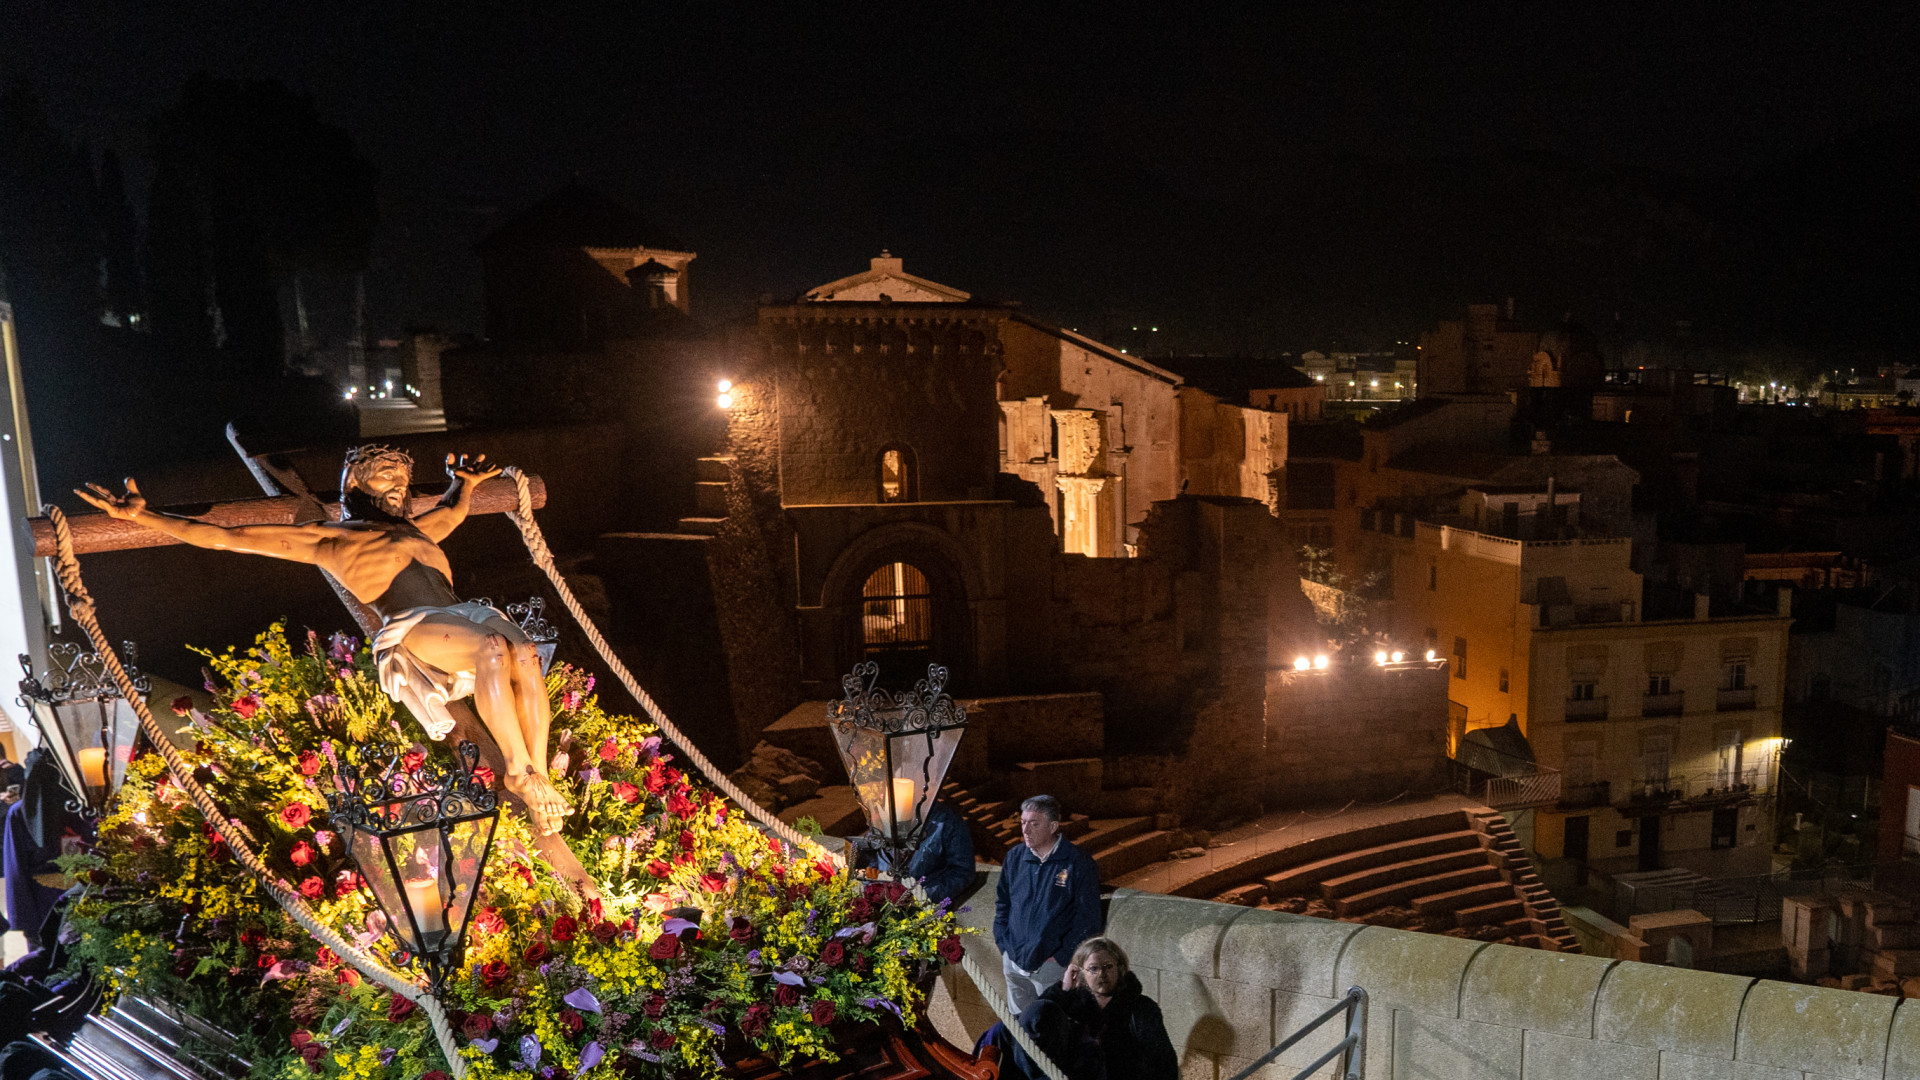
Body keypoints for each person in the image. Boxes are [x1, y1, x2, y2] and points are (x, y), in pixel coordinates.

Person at [76, 447, 569, 834]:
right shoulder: (333, 540)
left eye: (401, 479)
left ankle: (539, 768)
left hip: (465, 612)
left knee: (524, 652)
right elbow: (227, 536)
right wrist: (144, 517)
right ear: (354, 484)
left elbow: (452, 508)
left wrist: (465, 483)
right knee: (492, 650)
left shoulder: (420, 528)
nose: (398, 488)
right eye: (385, 478)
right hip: (416, 623)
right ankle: (520, 771)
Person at [993, 794, 1102, 1014]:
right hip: (1013, 963)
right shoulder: (1015, 856)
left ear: (1053, 826)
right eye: (1023, 822)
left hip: (1050, 968)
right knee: (1019, 1028)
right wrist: (1004, 944)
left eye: (1034, 824)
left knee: (1050, 1029)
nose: (1026, 830)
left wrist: (1061, 958)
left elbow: (1089, 919)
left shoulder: (1077, 862)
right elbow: (1003, 903)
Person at [1061, 937, 1177, 1080]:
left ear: (1119, 968)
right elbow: (1035, 1023)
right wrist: (1064, 991)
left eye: (1108, 966)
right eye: (1093, 968)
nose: (1102, 974)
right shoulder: (1070, 1006)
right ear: (1081, 972)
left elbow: (1164, 1063)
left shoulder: (1141, 1008)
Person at [884, 798, 975, 905]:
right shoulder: (884, 812)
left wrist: (922, 896)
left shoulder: (947, 820)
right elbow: (872, 858)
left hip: (920, 906)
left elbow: (962, 871)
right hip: (880, 902)